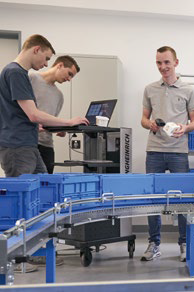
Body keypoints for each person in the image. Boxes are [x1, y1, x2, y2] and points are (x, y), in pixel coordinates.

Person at [0, 34, 88, 273]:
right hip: (18, 146)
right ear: (36, 49)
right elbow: (33, 114)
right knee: (21, 203)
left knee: (42, 192)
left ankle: (33, 250)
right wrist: (69, 122)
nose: (46, 64)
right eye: (46, 58)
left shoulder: (15, 73)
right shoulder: (17, 72)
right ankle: (14, 260)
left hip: (27, 145)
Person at [140, 46, 194, 262]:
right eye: (158, 63)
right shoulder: (149, 89)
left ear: (176, 62)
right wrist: (151, 124)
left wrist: (185, 128)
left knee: (182, 199)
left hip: (178, 152)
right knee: (152, 199)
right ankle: (154, 243)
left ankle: (183, 243)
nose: (163, 67)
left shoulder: (189, 90)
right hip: (154, 150)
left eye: (166, 62)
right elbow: (143, 119)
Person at [30, 55, 80, 174]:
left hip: (47, 145)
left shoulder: (59, 96)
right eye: (69, 74)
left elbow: (49, 120)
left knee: (47, 186)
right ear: (60, 65)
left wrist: (59, 128)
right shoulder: (31, 78)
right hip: (28, 142)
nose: (69, 79)